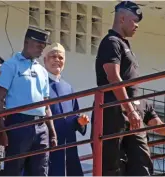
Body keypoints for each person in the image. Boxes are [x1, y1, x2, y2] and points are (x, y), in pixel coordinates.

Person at [93, 1, 152, 176]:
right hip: (114, 112)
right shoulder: (111, 42)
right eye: (134, 21)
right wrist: (129, 109)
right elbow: (113, 77)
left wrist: (133, 111)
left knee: (142, 163)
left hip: (131, 113)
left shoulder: (125, 45)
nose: (137, 26)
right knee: (112, 166)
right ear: (122, 18)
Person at [0, 26, 57, 176]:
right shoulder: (10, 65)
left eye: (43, 47)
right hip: (18, 122)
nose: (41, 50)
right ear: (27, 42)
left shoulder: (41, 70)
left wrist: (52, 133)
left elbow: (46, 104)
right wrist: (1, 130)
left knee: (40, 170)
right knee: (14, 169)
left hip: (41, 125)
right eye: (38, 46)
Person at [41, 43, 90, 176]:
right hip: (48, 142)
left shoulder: (68, 88)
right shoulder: (39, 83)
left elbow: (74, 116)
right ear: (45, 60)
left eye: (61, 58)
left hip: (68, 145)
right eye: (53, 56)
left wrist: (80, 121)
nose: (57, 60)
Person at [120, 99, 165, 175]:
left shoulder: (142, 102)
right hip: (117, 151)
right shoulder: (112, 98)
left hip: (138, 154)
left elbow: (158, 125)